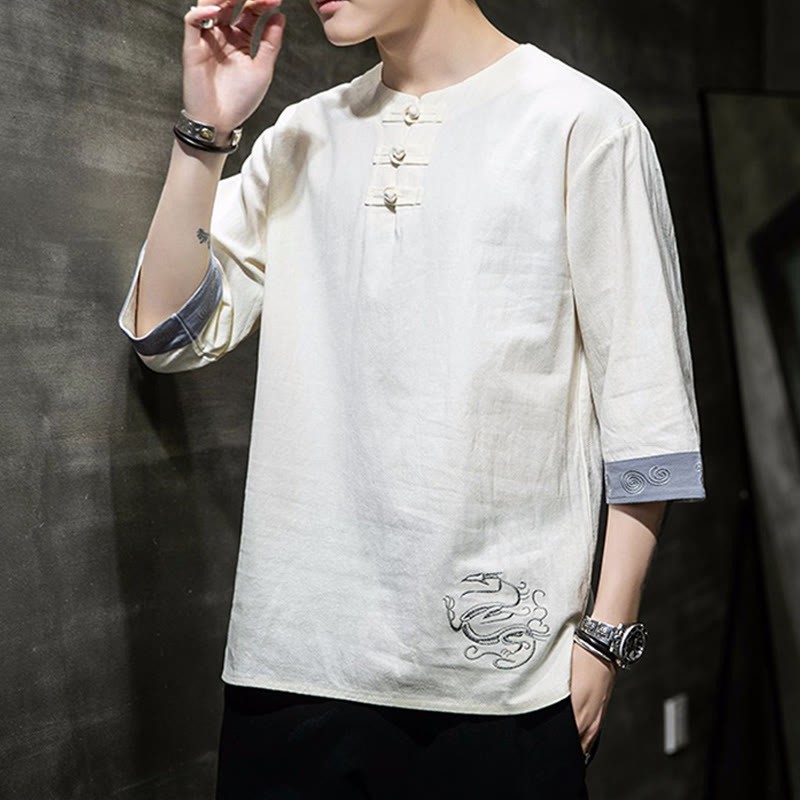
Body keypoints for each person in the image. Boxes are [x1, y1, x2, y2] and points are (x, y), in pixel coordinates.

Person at [118, 0, 707, 797]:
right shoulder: (300, 134)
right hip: (290, 674)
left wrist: (605, 638)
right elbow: (166, 334)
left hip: (503, 689)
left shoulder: (581, 123)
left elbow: (648, 421)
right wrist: (206, 131)